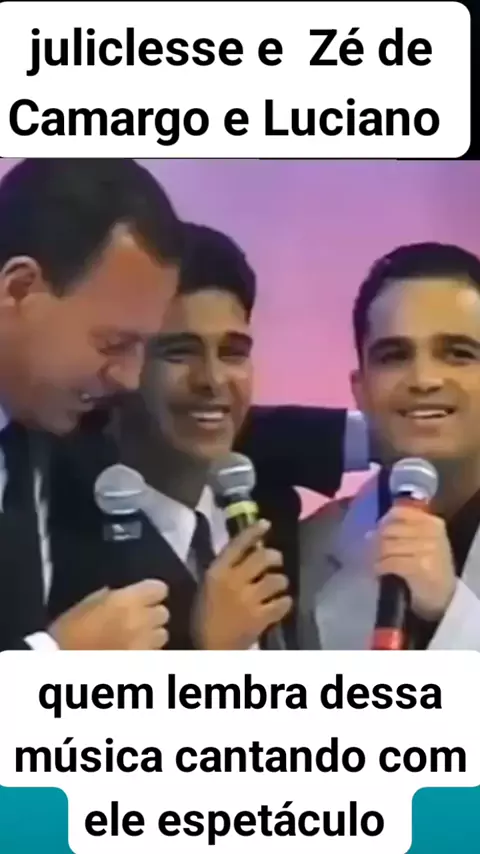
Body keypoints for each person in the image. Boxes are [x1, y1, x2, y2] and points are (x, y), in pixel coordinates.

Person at [48, 223, 372, 650]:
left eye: (233, 352)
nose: (213, 379)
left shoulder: (269, 507)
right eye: (179, 352)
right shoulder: (52, 541)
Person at [0, 158, 183, 652]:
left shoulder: (77, 439)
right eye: (113, 344)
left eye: (143, 346)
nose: (129, 377)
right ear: (19, 289)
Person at [299, 242, 480, 650]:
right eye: (394, 356)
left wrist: (453, 614)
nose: (424, 379)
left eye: (457, 353)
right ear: (360, 390)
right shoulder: (303, 554)